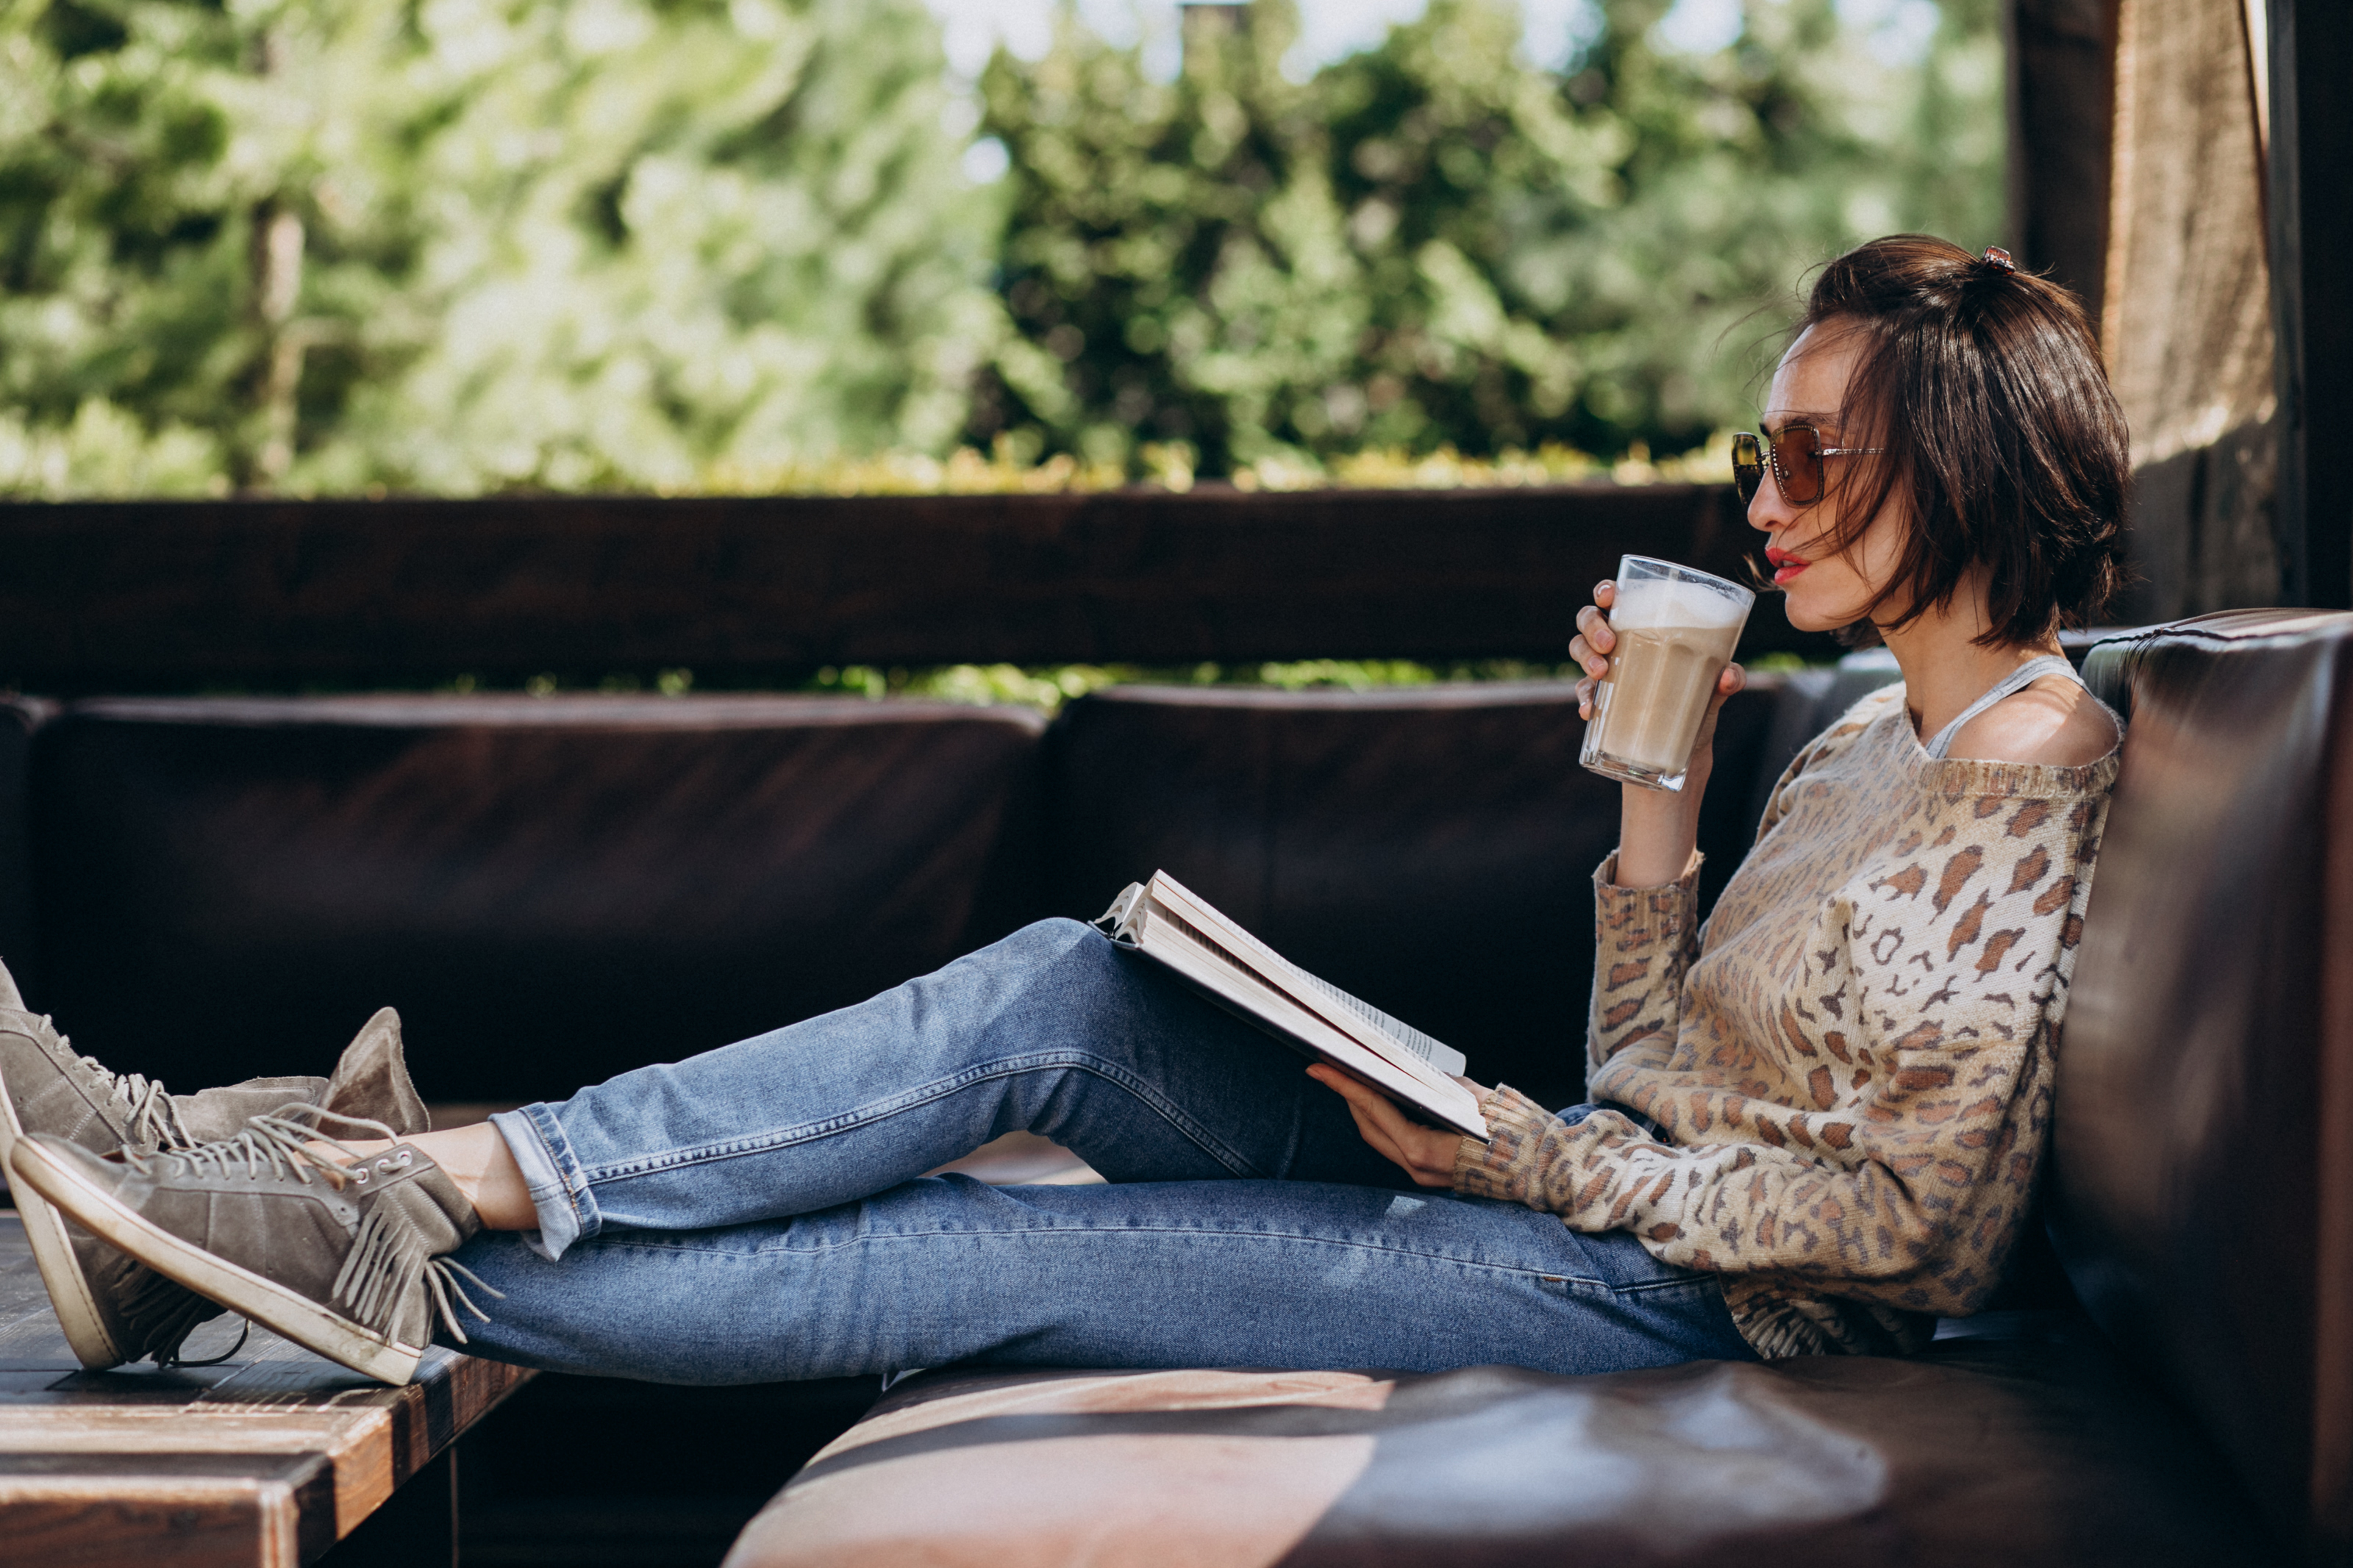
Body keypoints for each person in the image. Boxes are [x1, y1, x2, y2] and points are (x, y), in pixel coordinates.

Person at [3, 235, 2130, 1387]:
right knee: (1065, 991)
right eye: (1759, 454)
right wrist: (1655, 795)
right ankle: (266, 1180)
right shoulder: (1862, 737)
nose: (1763, 501)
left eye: (1814, 456)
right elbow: (1651, 1077)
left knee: (975, 1257)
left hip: (1672, 1296)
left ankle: (273, 1225)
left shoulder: (2035, 762)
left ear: (1964, 455)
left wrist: (1536, 1166)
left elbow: (1913, 1233)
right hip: (1583, 1193)